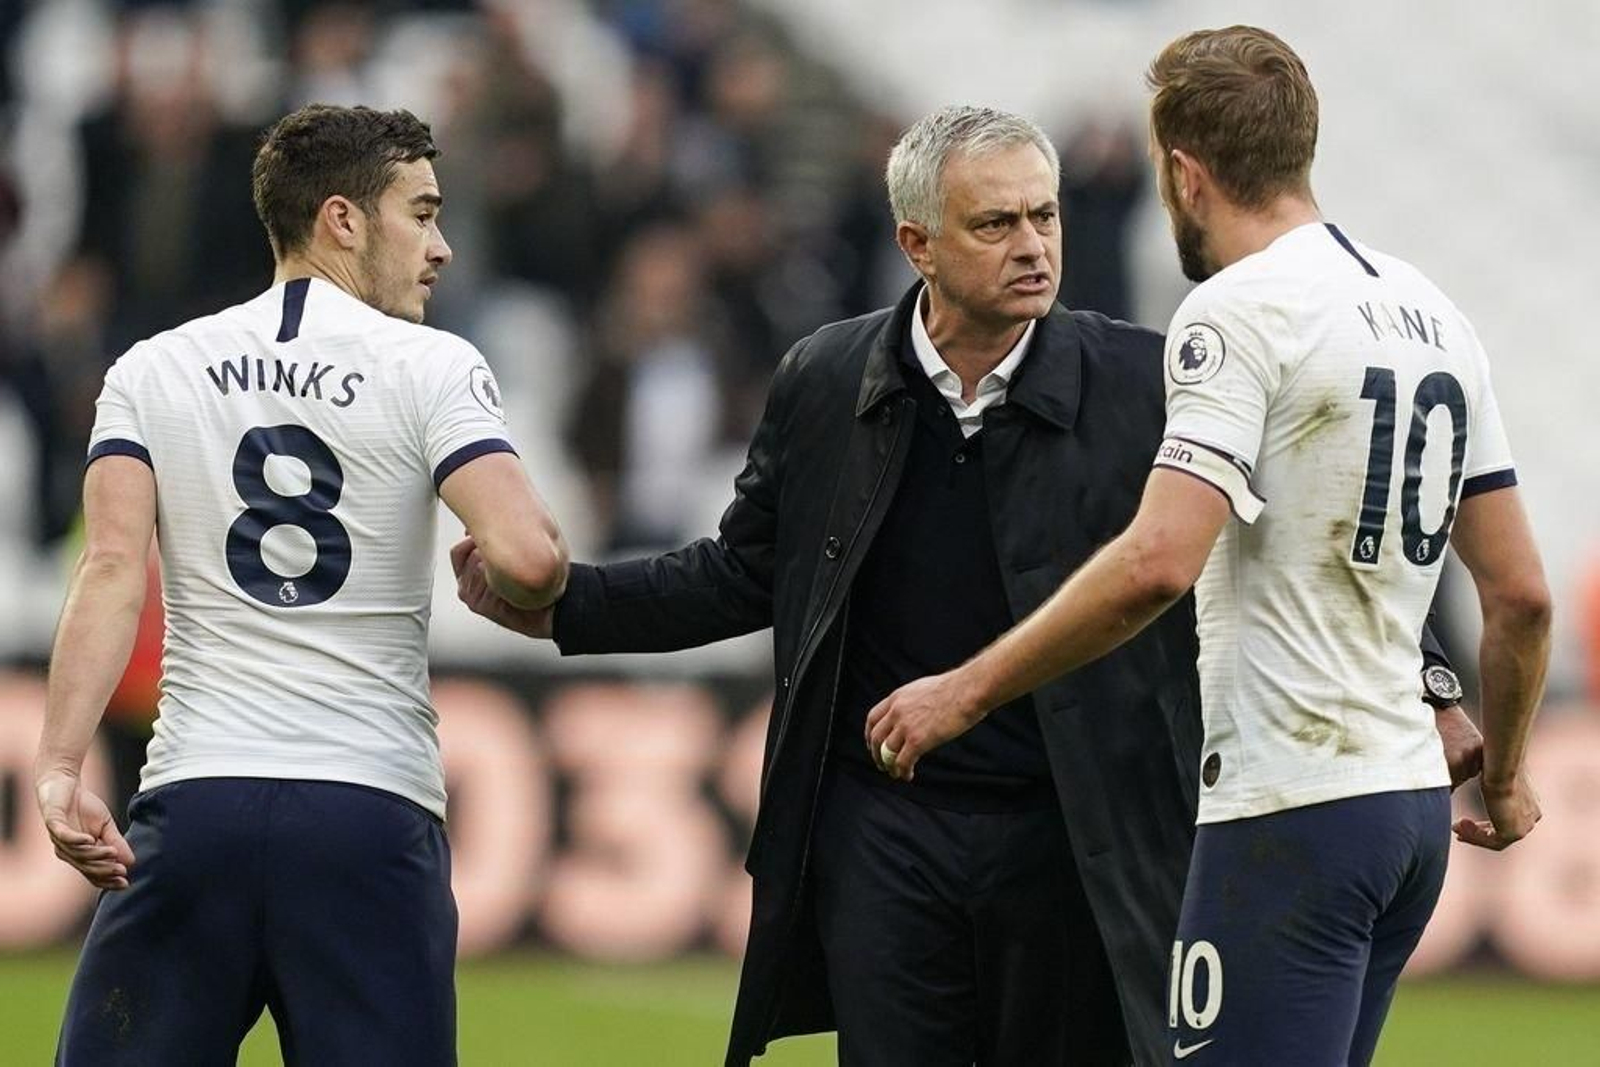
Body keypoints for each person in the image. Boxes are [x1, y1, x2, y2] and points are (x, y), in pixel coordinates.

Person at [451, 105, 1470, 1067]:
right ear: (917, 243)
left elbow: (1312, 530)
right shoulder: (825, 376)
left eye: (1044, 214)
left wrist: (1432, 679)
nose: (1033, 244)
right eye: (996, 222)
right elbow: (741, 574)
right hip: (885, 832)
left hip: (1080, 831)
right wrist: (564, 605)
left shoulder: (1145, 379)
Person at [865, 27, 1551, 1067]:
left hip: (1288, 807)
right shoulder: (1431, 314)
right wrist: (1500, 773)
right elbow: (1520, 593)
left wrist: (964, 691)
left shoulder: (1232, 312)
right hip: (1406, 811)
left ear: (1183, 173)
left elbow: (1155, 563)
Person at [35, 103, 568, 1066]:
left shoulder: (151, 369)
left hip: (196, 802)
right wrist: (522, 572)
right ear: (343, 219)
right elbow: (530, 559)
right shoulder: (433, 365)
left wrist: (62, 768)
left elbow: (112, 567)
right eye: (423, 212)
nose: (441, 247)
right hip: (367, 810)